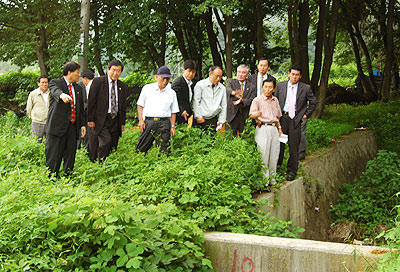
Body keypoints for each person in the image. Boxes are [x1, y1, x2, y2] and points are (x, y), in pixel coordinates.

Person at [275, 64, 317, 181]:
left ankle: (292, 171)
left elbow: (313, 102)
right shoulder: (280, 86)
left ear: (300, 76)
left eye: (297, 75)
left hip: (295, 120)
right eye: (292, 74)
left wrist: (305, 114)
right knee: (280, 145)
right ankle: (277, 169)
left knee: (294, 147)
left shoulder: (305, 88)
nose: (294, 77)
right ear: (288, 74)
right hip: (283, 118)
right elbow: (275, 101)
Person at [45, 61, 86, 176]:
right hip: (57, 127)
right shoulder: (55, 83)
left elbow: (81, 109)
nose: (79, 75)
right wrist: (62, 95)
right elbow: (55, 91)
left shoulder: (78, 88)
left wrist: (82, 125)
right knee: (54, 154)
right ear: (69, 73)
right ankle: (52, 177)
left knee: (70, 153)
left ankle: (67, 176)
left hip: (72, 127)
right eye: (77, 72)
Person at [87, 60, 128, 162]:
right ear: (108, 69)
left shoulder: (122, 86)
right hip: (101, 118)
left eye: (118, 71)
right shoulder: (98, 82)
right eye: (113, 70)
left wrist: (122, 122)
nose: (115, 73)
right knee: (106, 141)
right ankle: (101, 162)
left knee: (113, 143)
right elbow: (91, 101)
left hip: (115, 118)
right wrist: (90, 119)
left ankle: (108, 163)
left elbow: (123, 106)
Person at [136, 65, 179, 153]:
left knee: (163, 149)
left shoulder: (171, 93)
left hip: (164, 122)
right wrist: (141, 120)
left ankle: (162, 164)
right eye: (163, 78)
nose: (165, 81)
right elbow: (140, 105)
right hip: (149, 121)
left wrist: (172, 126)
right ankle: (140, 162)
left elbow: (173, 111)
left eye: (168, 79)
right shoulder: (147, 89)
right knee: (141, 147)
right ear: (156, 77)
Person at [249, 78, 282, 184]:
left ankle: (272, 179)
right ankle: (265, 181)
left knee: (274, 155)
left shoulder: (275, 100)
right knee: (263, 155)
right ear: (262, 87)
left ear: (273, 89)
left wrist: (280, 128)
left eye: (270, 87)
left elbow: (278, 116)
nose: (268, 89)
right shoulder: (257, 100)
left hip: (274, 129)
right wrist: (256, 114)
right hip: (262, 128)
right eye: (266, 87)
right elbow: (251, 115)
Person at [193, 66, 227, 131]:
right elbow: (196, 101)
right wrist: (198, 116)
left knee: (212, 139)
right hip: (201, 118)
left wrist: (222, 121)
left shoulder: (222, 88)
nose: (218, 79)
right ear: (210, 74)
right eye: (216, 76)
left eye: (220, 76)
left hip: (213, 119)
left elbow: (224, 105)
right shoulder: (200, 85)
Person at [226, 64, 256, 136]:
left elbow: (251, 100)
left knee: (245, 137)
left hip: (244, 115)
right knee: (230, 137)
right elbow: (227, 89)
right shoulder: (231, 82)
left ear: (247, 74)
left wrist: (242, 101)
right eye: (239, 72)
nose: (240, 74)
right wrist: (234, 93)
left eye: (243, 72)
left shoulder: (252, 87)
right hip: (232, 115)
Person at [171, 59, 196, 124]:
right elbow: (173, 100)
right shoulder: (178, 83)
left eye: (193, 72)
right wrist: (181, 111)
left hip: (187, 116)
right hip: (178, 117)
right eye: (189, 71)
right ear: (184, 70)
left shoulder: (191, 83)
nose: (191, 74)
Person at [26, 75, 49, 142]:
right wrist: (34, 117)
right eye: (42, 82)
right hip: (37, 122)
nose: (44, 84)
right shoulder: (33, 94)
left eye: (46, 82)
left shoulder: (51, 93)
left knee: (50, 143)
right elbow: (29, 108)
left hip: (49, 122)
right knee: (36, 142)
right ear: (38, 83)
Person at [77, 68, 95, 149]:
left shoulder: (94, 86)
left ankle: (87, 150)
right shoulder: (79, 86)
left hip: (90, 116)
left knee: (89, 135)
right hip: (82, 114)